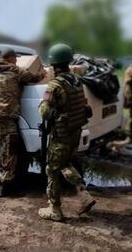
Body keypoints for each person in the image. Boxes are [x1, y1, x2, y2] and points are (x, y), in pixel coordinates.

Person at [38, 43, 95, 222]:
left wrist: (43, 105)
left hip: (61, 134)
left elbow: (45, 112)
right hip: (75, 132)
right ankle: (84, 194)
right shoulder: (77, 81)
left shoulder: (54, 86)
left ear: (54, 66)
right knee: (65, 164)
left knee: (52, 169)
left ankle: (54, 209)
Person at [0, 47, 45, 197]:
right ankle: (6, 187)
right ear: (11, 58)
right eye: (15, 58)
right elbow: (34, 78)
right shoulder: (16, 72)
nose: (16, 60)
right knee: (8, 151)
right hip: (6, 117)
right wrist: (44, 73)